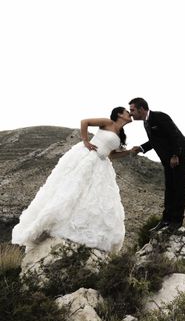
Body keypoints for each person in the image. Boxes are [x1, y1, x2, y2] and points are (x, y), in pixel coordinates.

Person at [12, 107, 134, 253]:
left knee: (94, 198)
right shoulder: (107, 122)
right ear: (120, 114)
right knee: (72, 189)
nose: (130, 114)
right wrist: (86, 141)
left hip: (101, 164)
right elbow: (85, 122)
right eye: (127, 112)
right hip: (87, 157)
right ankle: (53, 226)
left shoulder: (120, 134)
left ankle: (85, 232)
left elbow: (111, 155)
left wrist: (129, 152)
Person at [129, 97, 185, 231]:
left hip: (180, 155)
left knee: (178, 187)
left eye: (132, 110)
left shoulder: (160, 117)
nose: (131, 113)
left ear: (141, 109)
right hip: (168, 160)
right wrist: (141, 148)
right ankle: (166, 220)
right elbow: (155, 141)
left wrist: (175, 155)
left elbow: (174, 135)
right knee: (169, 188)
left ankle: (176, 222)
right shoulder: (146, 123)